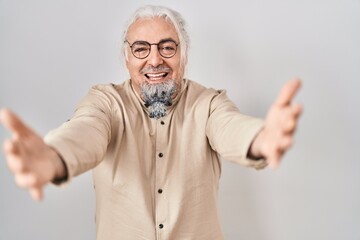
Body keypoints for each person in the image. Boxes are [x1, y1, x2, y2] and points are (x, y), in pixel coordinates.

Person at [0, 5, 302, 240]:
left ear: (183, 56)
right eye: (141, 48)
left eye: (167, 47)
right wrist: (53, 156)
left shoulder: (208, 104)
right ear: (126, 58)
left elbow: (231, 128)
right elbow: (84, 131)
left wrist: (262, 139)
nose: (155, 60)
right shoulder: (106, 103)